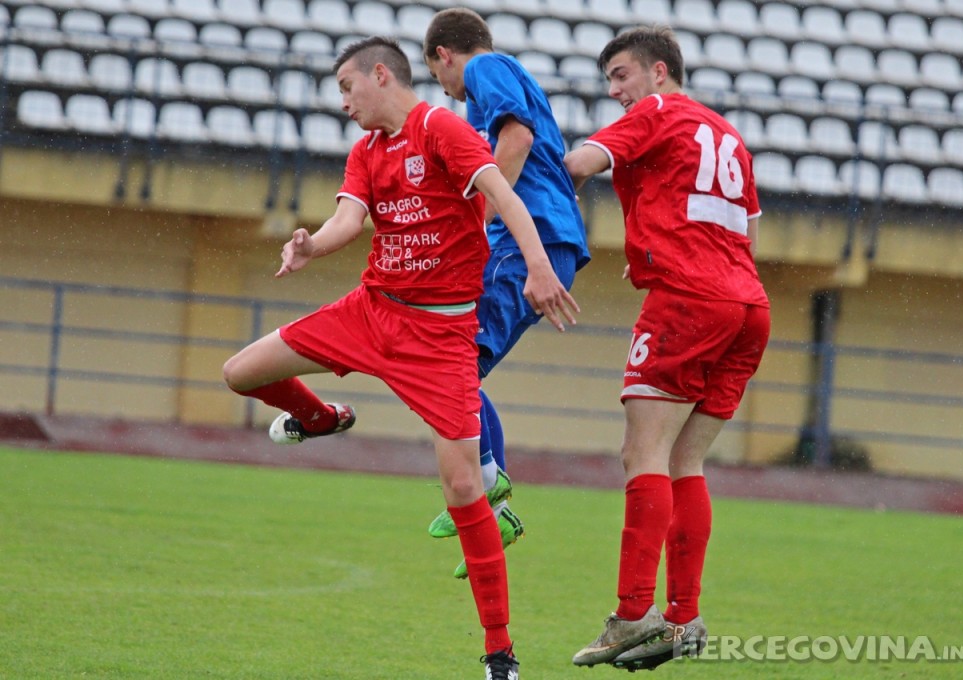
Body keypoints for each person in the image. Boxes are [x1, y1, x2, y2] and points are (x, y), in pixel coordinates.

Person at [222, 36, 578, 679]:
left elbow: (505, 196)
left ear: (380, 75)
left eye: (347, 87)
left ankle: (501, 656)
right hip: (370, 311)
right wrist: (312, 246)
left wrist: (538, 266)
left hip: (440, 338)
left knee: (464, 488)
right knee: (240, 373)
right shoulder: (367, 151)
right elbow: (348, 221)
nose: (344, 103)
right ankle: (324, 418)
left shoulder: (441, 128)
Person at [563, 26, 771, 672]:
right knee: (686, 459)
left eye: (621, 75)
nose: (615, 92)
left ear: (659, 72)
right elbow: (746, 233)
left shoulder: (656, 110)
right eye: (609, 81)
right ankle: (684, 618)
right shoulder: (728, 134)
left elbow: (578, 165)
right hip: (747, 306)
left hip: (688, 301)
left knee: (643, 453)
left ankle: (632, 615)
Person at [422, 7, 591, 579]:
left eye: (438, 75)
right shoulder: (496, 83)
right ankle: (492, 502)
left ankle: (488, 487)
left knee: (450, 362)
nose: (444, 89)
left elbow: (516, 138)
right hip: (535, 236)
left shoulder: (485, 69)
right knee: (456, 366)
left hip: (526, 239)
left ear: (445, 55)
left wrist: (483, 215)